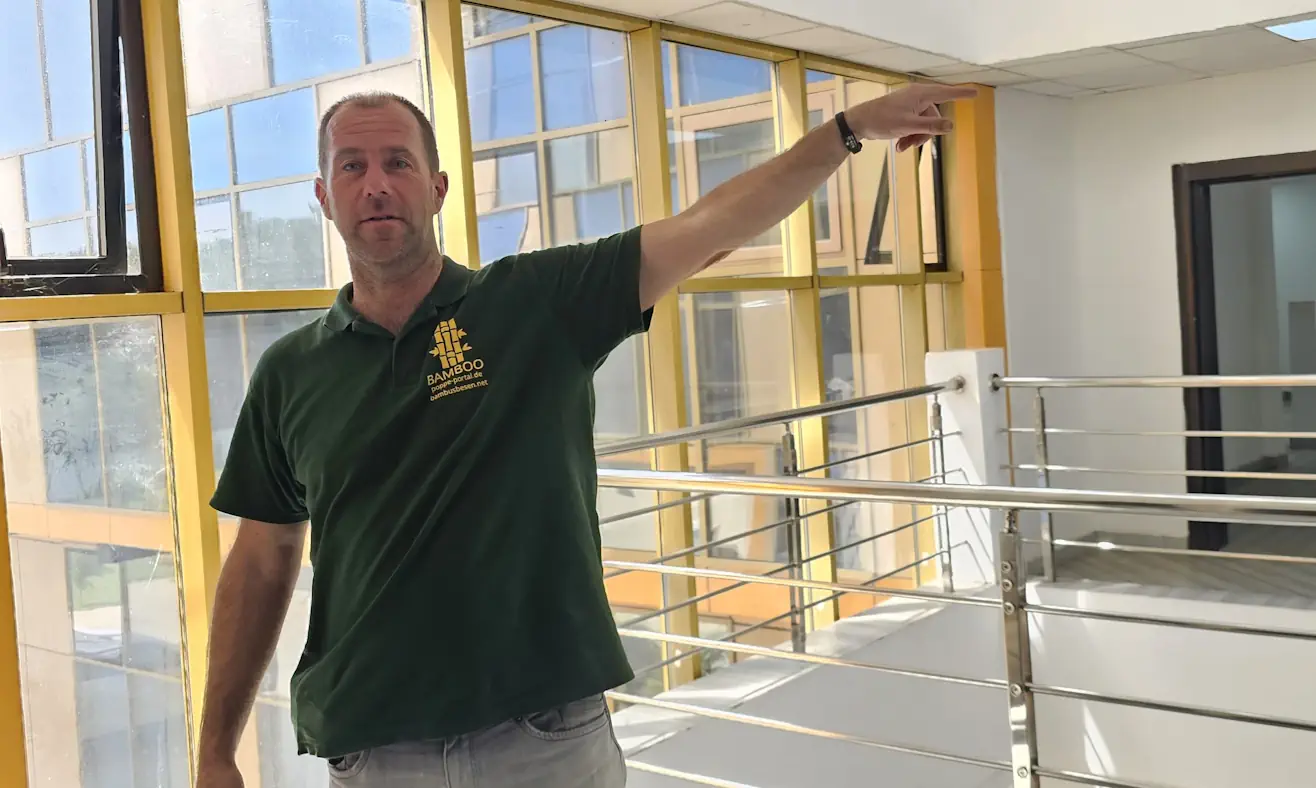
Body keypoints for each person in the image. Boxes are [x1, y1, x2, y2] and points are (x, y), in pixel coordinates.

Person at [195, 80, 977, 788]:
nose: (375, 184)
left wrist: (846, 130)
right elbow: (261, 561)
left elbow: (712, 225)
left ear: (436, 188)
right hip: (375, 756)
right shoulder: (290, 373)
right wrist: (215, 751)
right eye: (352, 166)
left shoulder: (536, 302)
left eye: (398, 162)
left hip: (543, 744)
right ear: (324, 197)